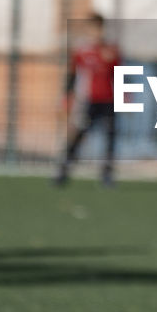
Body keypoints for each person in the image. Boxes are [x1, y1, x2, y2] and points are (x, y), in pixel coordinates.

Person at [55, 13, 121, 186]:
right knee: (79, 135)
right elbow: (72, 75)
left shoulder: (111, 51)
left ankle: (107, 175)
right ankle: (63, 170)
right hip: (89, 102)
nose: (96, 33)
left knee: (110, 137)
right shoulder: (82, 52)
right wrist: (66, 97)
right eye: (93, 29)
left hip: (109, 102)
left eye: (99, 29)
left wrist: (125, 96)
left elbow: (119, 76)